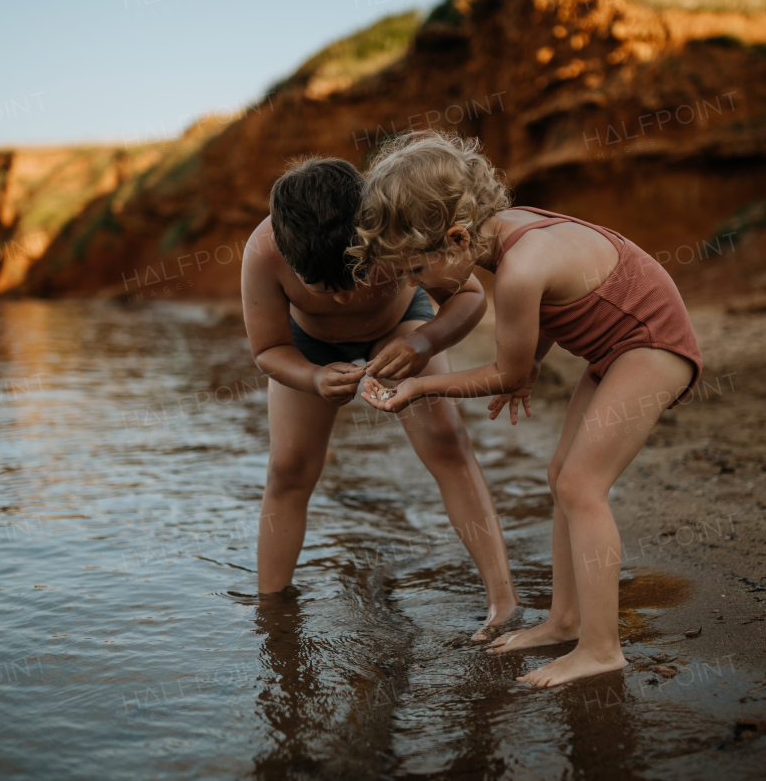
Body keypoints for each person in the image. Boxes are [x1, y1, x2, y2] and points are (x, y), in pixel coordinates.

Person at [351, 131, 702, 687]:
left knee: (582, 486)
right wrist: (531, 365)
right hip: (615, 348)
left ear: (457, 237)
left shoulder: (517, 270)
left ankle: (601, 648)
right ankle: (565, 621)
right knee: (561, 474)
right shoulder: (505, 232)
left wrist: (422, 389)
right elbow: (544, 328)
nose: (412, 284)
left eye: (415, 271)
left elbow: (506, 372)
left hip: (651, 346)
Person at [240, 156, 519, 639]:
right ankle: (272, 610)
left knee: (447, 440)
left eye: (358, 273)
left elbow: (470, 297)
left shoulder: (393, 222)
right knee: (288, 469)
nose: (344, 298)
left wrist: (424, 343)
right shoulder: (263, 251)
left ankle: (503, 601)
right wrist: (312, 379)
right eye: (322, 287)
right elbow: (267, 350)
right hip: (305, 347)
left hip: (401, 324)